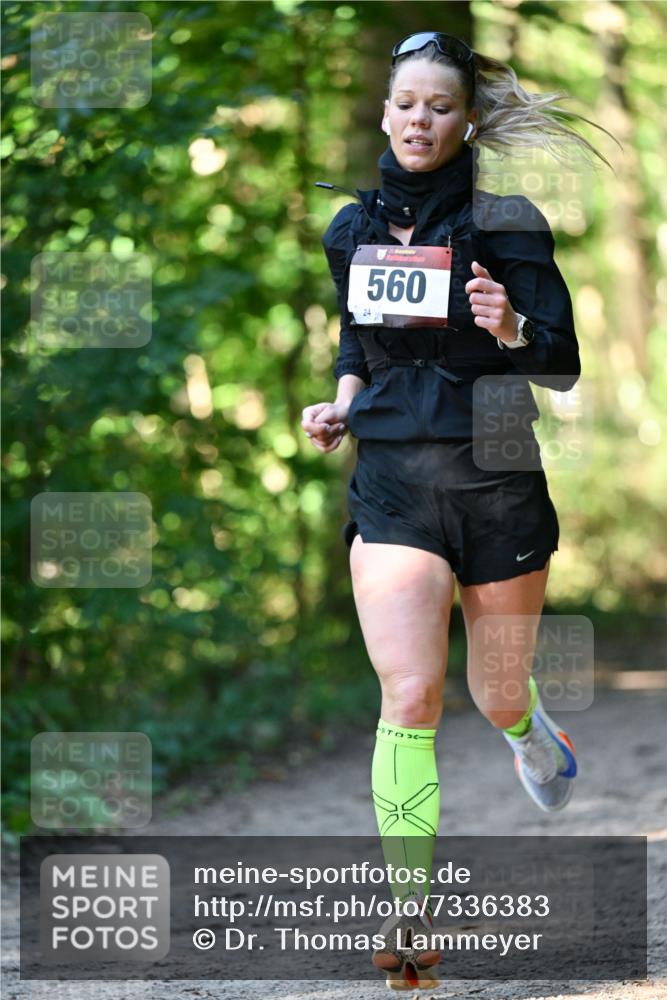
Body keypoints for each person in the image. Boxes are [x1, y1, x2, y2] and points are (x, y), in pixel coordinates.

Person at [302, 30, 615, 990]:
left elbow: (559, 362)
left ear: (464, 119)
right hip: (392, 478)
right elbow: (362, 345)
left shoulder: (506, 222)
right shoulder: (348, 231)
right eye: (405, 105)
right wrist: (341, 403)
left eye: (438, 107)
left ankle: (528, 732)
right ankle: (408, 915)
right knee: (409, 697)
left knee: (496, 694)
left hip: (497, 474)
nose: (418, 122)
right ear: (385, 113)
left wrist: (509, 325)